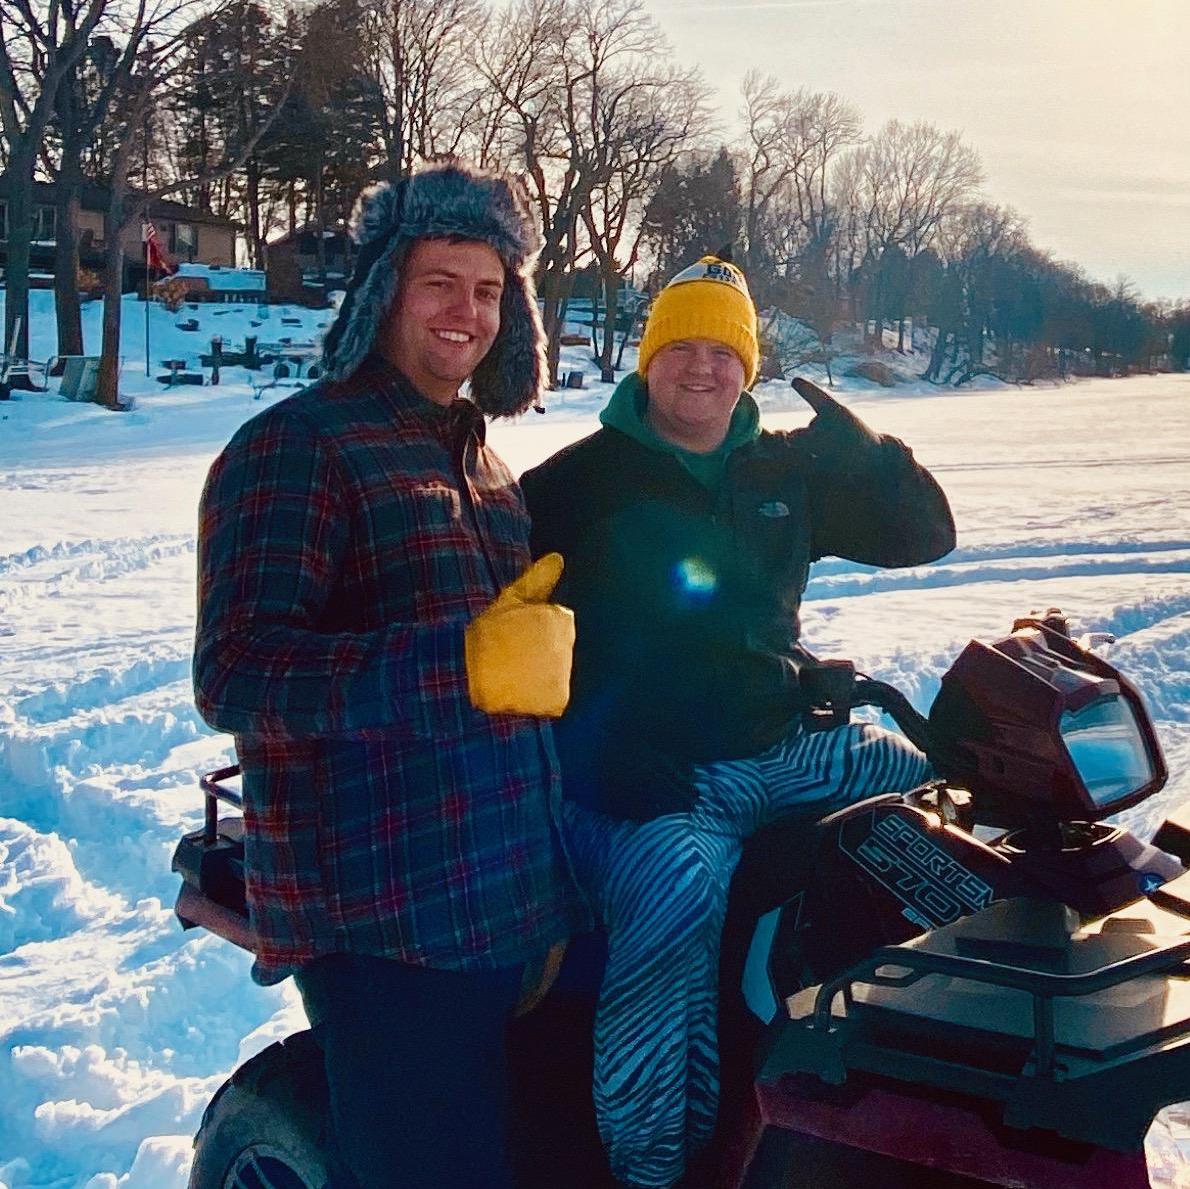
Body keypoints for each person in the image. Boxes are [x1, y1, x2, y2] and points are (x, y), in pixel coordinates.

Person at [520, 255, 956, 1189]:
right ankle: (652, 1166)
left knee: (940, 800)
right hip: (648, 776)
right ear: (649, 357)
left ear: (748, 366)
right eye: (681, 344)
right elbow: (505, 644)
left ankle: (921, 1072)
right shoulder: (572, 484)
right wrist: (587, 758)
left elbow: (926, 537)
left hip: (780, 746)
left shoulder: (781, 470)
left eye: (724, 350)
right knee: (676, 892)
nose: (702, 367)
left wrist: (875, 457)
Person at [193, 159, 584, 1189]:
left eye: (489, 289)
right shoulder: (299, 446)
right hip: (384, 928)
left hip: (505, 903)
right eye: (439, 283)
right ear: (382, 292)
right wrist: (459, 662)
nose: (467, 312)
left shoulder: (484, 466)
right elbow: (237, 671)